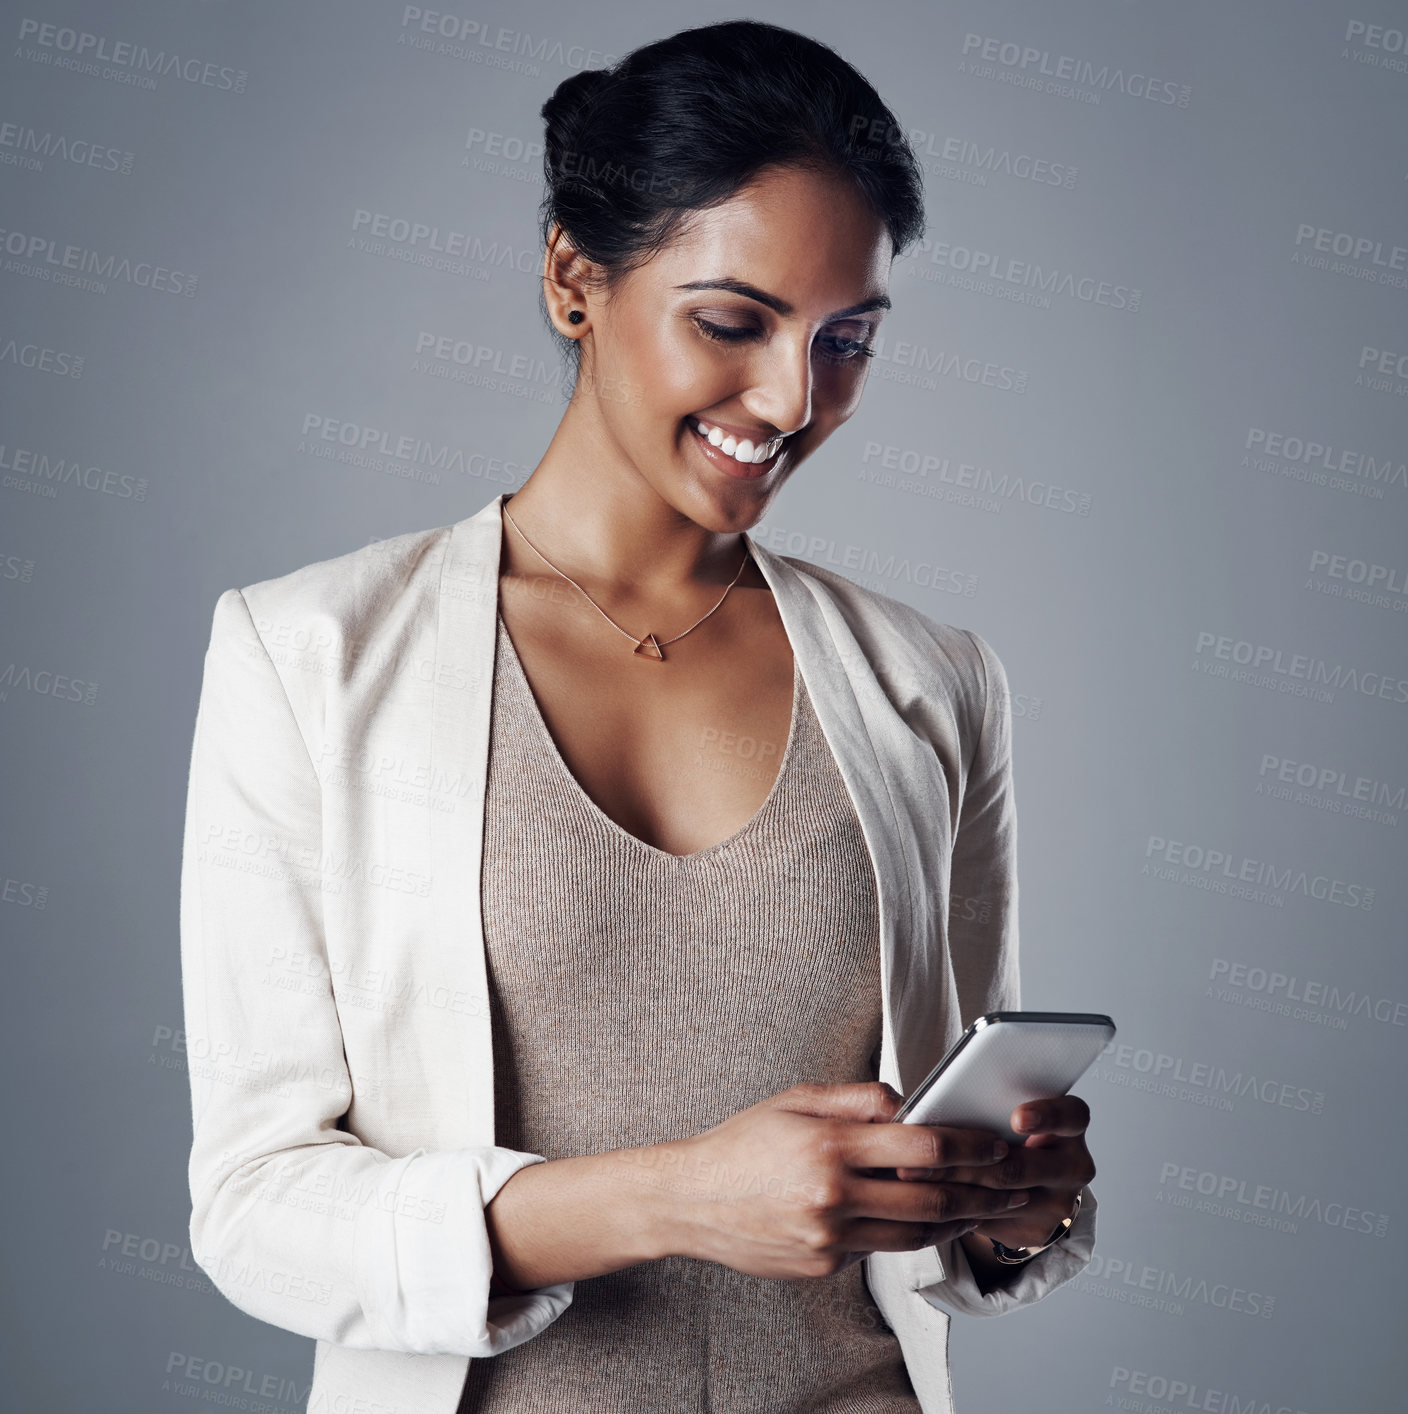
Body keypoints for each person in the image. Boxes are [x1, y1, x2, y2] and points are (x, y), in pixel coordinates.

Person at [179, 19, 1098, 1414]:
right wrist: (671, 1198)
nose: (793, 399)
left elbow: (949, 1190)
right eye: (732, 321)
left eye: (844, 339)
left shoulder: (934, 682)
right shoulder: (308, 655)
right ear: (571, 275)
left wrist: (1012, 1205)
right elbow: (255, 1205)